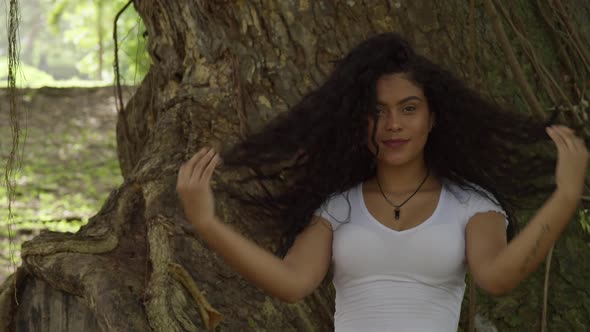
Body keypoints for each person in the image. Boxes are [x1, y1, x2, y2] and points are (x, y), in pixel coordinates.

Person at [175, 32, 588, 331]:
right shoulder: (338, 205)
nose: (392, 125)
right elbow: (291, 283)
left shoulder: (471, 204)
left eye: (408, 109)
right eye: (377, 111)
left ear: (432, 118)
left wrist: (566, 197)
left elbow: (498, 277)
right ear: (360, 121)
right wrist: (208, 223)